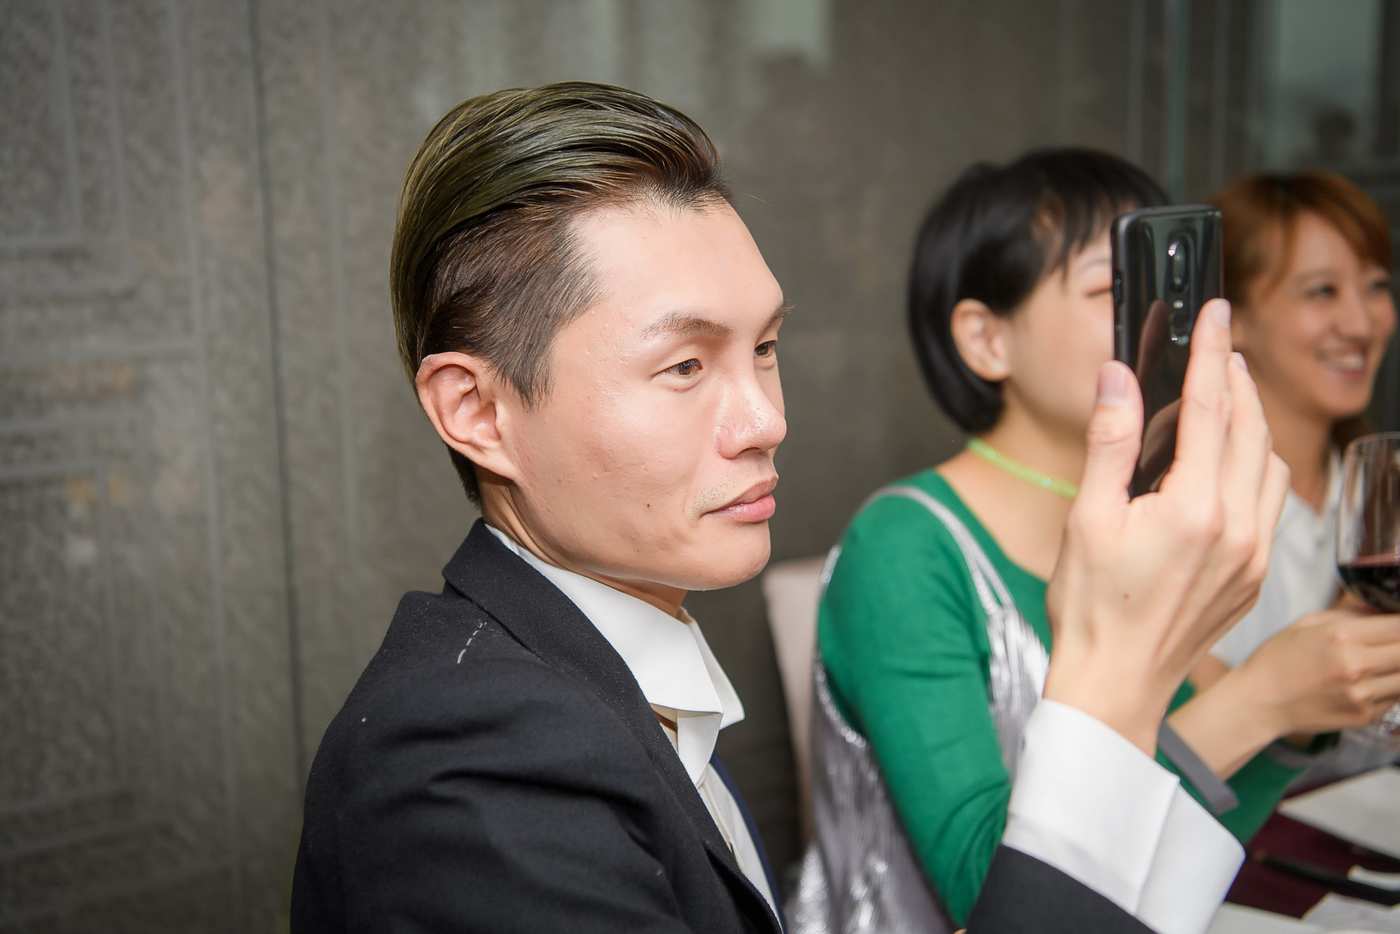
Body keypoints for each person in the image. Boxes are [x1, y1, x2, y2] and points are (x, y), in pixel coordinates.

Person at [290, 86, 1285, 934]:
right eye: (684, 365)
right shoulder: (467, 765)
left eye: (763, 348)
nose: (767, 419)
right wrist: (1114, 679)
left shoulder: (589, 677)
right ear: (479, 412)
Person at [798, 149, 1400, 934]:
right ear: (986, 339)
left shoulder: (1142, 520)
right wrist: (1261, 701)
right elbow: (989, 899)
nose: (1158, 319)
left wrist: (1291, 715)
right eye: (1114, 289)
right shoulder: (902, 547)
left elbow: (1188, 828)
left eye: (1162, 286)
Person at [1200, 172, 1400, 777]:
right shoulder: (1186, 510)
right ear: (1230, 318)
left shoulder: (1380, 494)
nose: (1361, 324)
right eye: (1322, 292)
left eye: (1376, 286)